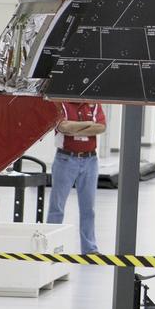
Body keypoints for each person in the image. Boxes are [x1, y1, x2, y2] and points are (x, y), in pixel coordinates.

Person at [45, 101, 107, 254]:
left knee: (88, 208)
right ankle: (51, 247)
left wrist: (75, 127)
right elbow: (63, 127)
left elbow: (101, 127)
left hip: (90, 160)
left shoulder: (93, 104)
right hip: (65, 159)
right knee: (57, 207)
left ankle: (90, 249)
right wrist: (88, 124)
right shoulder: (60, 104)